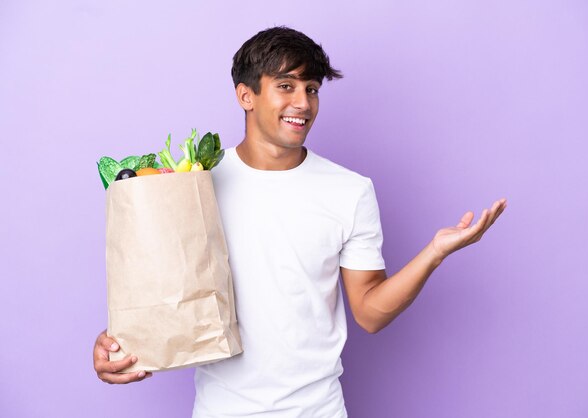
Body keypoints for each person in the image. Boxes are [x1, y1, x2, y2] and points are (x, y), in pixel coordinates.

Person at [93, 26, 507, 417]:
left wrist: (434, 253)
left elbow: (370, 312)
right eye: (286, 86)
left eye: (312, 89)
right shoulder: (195, 189)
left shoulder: (350, 191)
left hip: (318, 410)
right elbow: (163, 293)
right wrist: (122, 345)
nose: (303, 103)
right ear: (246, 95)